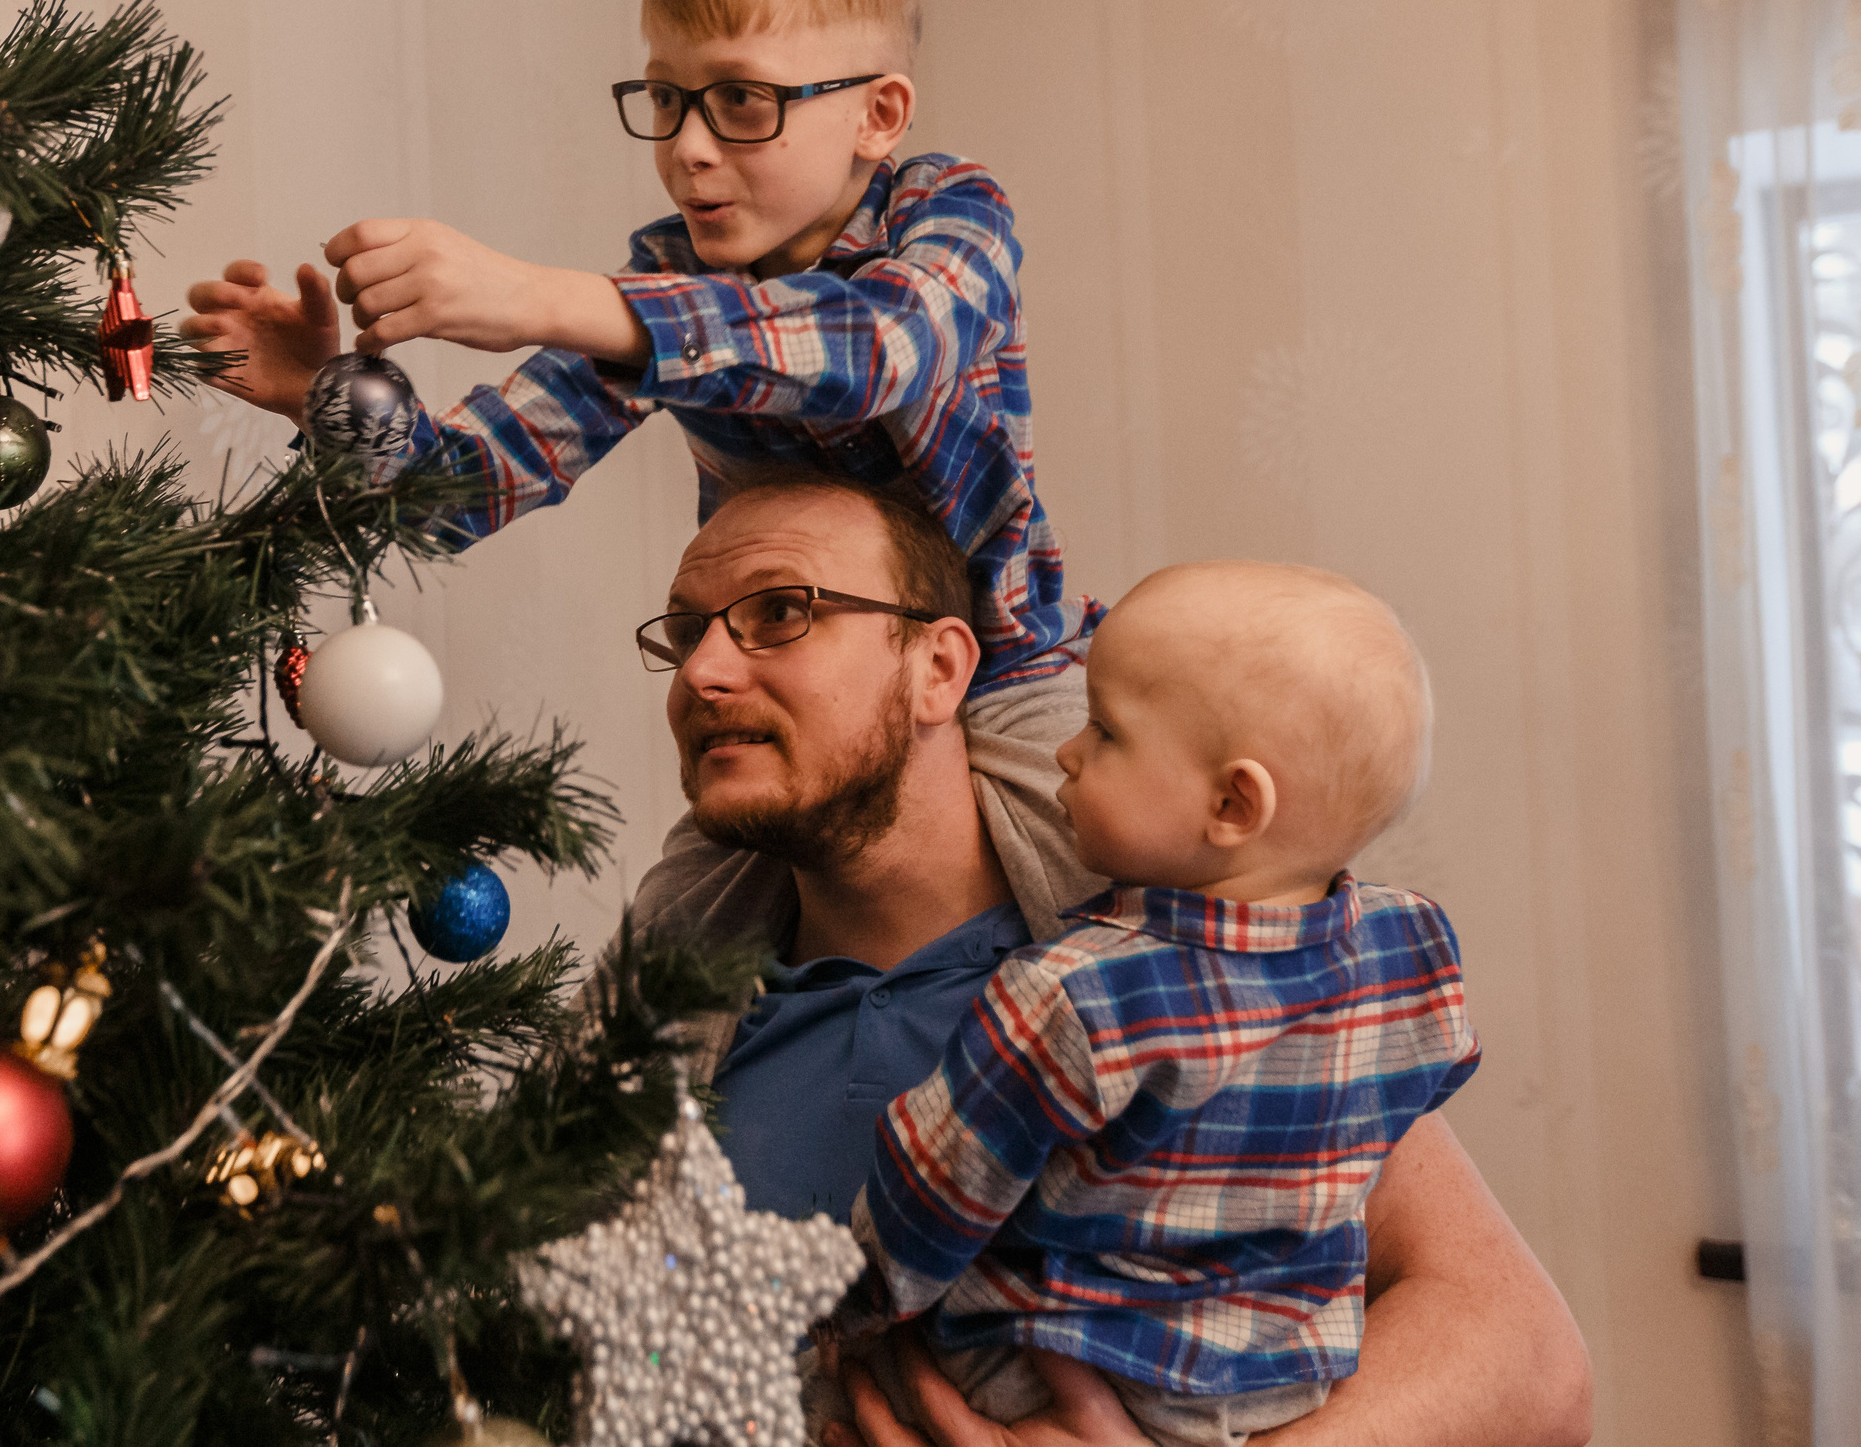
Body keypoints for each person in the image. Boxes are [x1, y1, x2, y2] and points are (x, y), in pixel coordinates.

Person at [181, 0, 1102, 950]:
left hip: (1009, 665)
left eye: (742, 102)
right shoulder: (661, 278)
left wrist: (537, 297)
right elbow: (457, 494)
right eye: (666, 99)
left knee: (1134, 888)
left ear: (877, 116)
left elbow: (882, 349)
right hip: (790, 683)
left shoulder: (947, 209)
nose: (689, 149)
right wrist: (324, 394)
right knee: (670, 950)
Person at [629, 470, 1590, 1447]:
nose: (702, 671)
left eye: (780, 611)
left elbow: (1530, 1364)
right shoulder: (653, 1025)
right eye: (686, 630)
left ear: (939, 667)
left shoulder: (1182, 977)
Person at [838, 563, 1479, 1447]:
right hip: (1283, 1390)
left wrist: (843, 1309)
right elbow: (1431, 1076)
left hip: (1044, 1369)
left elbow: (930, 1196)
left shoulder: (1074, 995)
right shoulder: (1412, 948)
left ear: (1231, 802)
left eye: (1103, 730)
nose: (1065, 749)